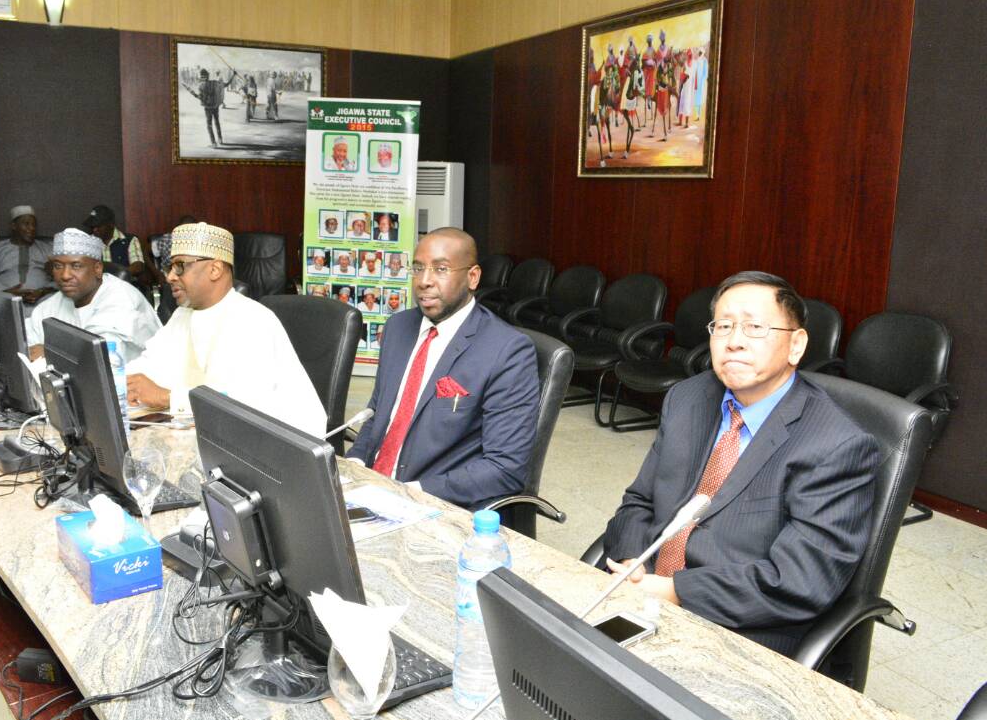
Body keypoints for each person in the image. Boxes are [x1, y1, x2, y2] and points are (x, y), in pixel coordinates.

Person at [601, 271, 879, 657]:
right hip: (639, 592)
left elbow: (800, 580)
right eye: (724, 326)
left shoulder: (836, 445)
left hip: (738, 630)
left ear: (796, 345)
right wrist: (636, 565)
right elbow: (639, 502)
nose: (734, 342)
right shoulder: (687, 398)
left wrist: (676, 591)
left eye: (754, 328)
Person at [347, 227, 540, 509]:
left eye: (440, 269)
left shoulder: (507, 351)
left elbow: (505, 468)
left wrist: (408, 493)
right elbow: (379, 416)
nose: (424, 281)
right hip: (372, 487)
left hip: (433, 501)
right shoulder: (398, 327)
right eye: (418, 268)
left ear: (472, 277)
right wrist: (354, 464)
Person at [125, 222, 325, 435]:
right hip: (205, 435)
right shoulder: (182, 314)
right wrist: (126, 383)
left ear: (215, 269)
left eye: (180, 266)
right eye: (170, 267)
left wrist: (165, 397)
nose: (170, 277)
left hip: (271, 449)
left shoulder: (252, 321)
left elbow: (239, 405)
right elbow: (150, 363)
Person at [25, 228, 160, 362]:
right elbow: (28, 341)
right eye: (58, 266)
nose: (65, 275)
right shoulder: (56, 301)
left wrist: (51, 352)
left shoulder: (121, 298)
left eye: (76, 266)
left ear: (97, 269)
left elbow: (101, 358)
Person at [0, 205, 55, 310]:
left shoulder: (48, 248)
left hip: (42, 302)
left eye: (34, 224)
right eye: (26, 224)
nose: (31, 228)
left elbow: (62, 280)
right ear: (14, 226)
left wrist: (42, 291)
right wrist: (7, 292)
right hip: (6, 302)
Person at [83, 205, 147, 285]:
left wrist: (115, 277)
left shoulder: (129, 240)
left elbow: (138, 267)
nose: (95, 229)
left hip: (125, 286)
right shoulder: (88, 242)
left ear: (111, 224)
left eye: (98, 226)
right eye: (93, 226)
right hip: (98, 289)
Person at [187, 67, 236, 146]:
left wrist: (191, 92)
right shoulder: (215, 83)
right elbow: (227, 84)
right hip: (215, 106)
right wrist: (233, 75)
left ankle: (213, 142)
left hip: (207, 108)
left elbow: (200, 97)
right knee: (217, 122)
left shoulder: (201, 86)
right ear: (208, 76)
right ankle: (220, 139)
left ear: (202, 77)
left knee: (209, 125)